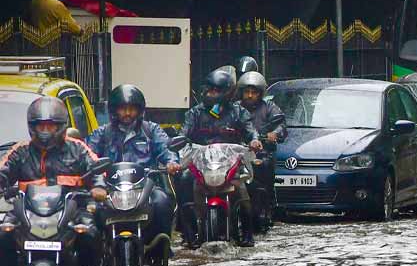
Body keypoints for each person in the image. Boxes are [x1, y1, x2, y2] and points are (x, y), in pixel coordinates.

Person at [0, 98, 105, 266]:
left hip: (72, 210)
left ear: (61, 126)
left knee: (90, 234)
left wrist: (98, 186)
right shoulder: (20, 150)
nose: (45, 131)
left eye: (51, 126)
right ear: (32, 127)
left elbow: (96, 168)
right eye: (41, 126)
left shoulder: (77, 148)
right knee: (4, 234)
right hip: (27, 212)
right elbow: (3, 170)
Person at [87, 85, 181, 251]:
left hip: (145, 188)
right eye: (123, 109)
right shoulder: (102, 133)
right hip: (111, 190)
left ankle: (160, 250)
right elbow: (89, 157)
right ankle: (99, 254)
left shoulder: (150, 130)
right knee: (90, 212)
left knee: (162, 203)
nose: (128, 114)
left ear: (140, 110)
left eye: (132, 109)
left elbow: (166, 149)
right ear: (114, 110)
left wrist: (171, 162)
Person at [178, 70, 262, 248]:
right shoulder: (195, 113)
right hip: (201, 164)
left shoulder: (238, 112)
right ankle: (188, 233)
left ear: (227, 93)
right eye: (209, 90)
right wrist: (179, 142)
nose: (211, 94)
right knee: (184, 180)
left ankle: (248, 234)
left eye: (216, 91)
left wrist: (254, 140)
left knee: (248, 186)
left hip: (231, 164)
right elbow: (183, 133)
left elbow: (250, 130)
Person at [237, 71, 286, 231]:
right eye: (247, 92)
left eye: (254, 92)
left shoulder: (269, 107)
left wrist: (275, 134)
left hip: (261, 153)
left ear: (260, 93)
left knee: (264, 167)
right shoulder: (235, 108)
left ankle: (267, 210)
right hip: (238, 153)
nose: (250, 95)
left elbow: (281, 125)